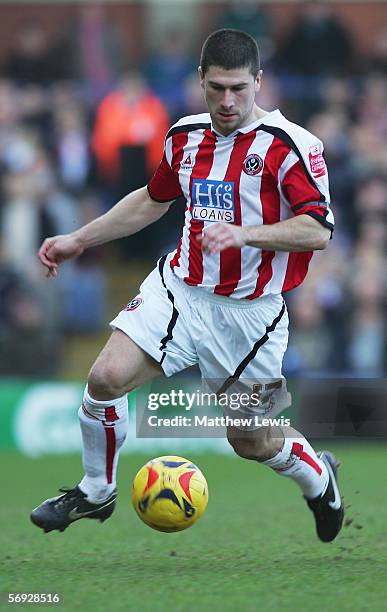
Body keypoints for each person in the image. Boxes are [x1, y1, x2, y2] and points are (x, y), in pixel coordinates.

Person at [31, 29, 343, 542]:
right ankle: (95, 491)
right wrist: (79, 239)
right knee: (105, 378)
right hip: (178, 289)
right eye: (217, 87)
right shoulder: (185, 135)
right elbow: (152, 200)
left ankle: (318, 477)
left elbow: (318, 230)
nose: (227, 100)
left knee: (251, 440)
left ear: (259, 82)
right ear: (200, 80)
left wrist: (245, 233)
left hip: (250, 314)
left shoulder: (292, 147)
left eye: (239, 89)